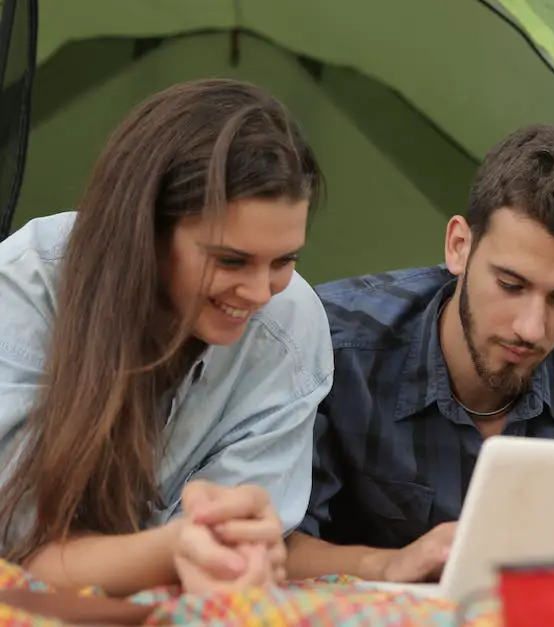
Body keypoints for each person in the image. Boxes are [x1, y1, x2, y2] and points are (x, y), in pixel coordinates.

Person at [285, 123, 554, 583]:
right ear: (459, 247)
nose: (531, 328)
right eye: (510, 285)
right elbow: (272, 551)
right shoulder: (333, 343)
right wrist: (386, 565)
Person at [0, 79, 334, 596]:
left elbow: (231, 551)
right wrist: (175, 550)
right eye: (230, 260)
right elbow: (15, 550)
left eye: (285, 260)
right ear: (145, 231)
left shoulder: (291, 327)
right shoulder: (24, 287)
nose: (260, 291)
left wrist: (231, 550)